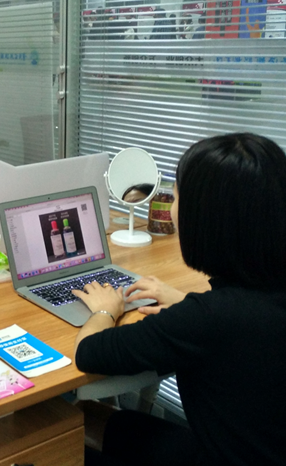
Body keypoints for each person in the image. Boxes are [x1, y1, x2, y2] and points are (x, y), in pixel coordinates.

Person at [73, 133, 286, 466]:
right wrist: (185, 299)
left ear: (204, 219)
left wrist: (104, 309)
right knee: (111, 422)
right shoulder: (249, 302)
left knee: (68, 433)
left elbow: (88, 352)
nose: (171, 209)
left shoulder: (206, 319)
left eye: (174, 198)